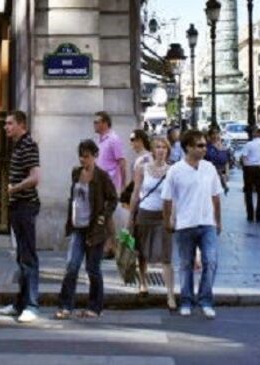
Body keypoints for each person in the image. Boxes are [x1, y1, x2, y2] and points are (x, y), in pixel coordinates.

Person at [162, 130, 223, 319]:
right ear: (188, 147)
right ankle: (186, 301)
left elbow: (216, 197)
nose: (204, 148)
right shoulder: (175, 170)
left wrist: (218, 221)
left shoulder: (209, 168)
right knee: (186, 264)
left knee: (211, 261)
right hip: (185, 223)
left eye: (205, 145)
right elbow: (167, 199)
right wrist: (168, 221)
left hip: (207, 223)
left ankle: (206, 300)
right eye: (200, 145)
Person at [55, 139, 117, 320]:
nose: (83, 160)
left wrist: (103, 217)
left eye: (87, 157)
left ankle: (95, 307)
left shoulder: (101, 176)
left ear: (95, 156)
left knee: (92, 268)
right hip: (77, 226)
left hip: (94, 229)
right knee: (71, 266)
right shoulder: (76, 173)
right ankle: (66, 305)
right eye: (81, 157)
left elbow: (113, 199)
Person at [0, 111, 42, 324]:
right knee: (21, 257)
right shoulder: (17, 145)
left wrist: (14, 188)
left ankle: (31, 305)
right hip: (17, 206)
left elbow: (35, 178)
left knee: (28, 257)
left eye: (9, 123)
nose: (6, 127)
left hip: (25, 205)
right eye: (6, 124)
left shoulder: (29, 145)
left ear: (21, 125)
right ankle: (20, 303)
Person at [127, 136, 175, 310]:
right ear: (153, 150)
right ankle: (143, 282)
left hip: (163, 216)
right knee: (142, 251)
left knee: (166, 255)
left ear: (168, 150)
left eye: (164, 147)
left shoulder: (172, 170)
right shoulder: (142, 168)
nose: (161, 150)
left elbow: (175, 197)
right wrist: (131, 217)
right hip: (145, 213)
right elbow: (136, 192)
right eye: (158, 147)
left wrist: (173, 217)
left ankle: (170, 294)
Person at [93, 111, 127, 257]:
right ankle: (111, 245)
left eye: (97, 122)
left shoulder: (113, 139)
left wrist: (124, 186)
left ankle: (112, 245)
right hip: (101, 184)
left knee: (106, 214)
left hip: (110, 184)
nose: (94, 125)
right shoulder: (101, 140)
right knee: (105, 215)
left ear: (105, 123)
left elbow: (122, 162)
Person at [241, 127, 260, 223]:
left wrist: (246, 167)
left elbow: (244, 157)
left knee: (248, 192)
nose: (252, 133)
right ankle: (259, 216)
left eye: (254, 132)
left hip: (249, 168)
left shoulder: (249, 144)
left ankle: (250, 215)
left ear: (258, 134)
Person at [204, 128, 230, 194]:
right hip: (208, 175)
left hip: (220, 176)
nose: (215, 136)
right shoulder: (206, 147)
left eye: (217, 134)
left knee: (216, 195)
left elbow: (226, 161)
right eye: (213, 134)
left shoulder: (223, 147)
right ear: (209, 136)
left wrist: (227, 173)